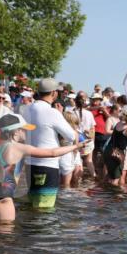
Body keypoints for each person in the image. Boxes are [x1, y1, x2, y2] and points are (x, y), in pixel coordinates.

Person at [0, 115, 82, 221]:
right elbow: (52, 153)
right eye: (24, 130)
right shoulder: (19, 148)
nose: (27, 132)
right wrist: (76, 146)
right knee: (5, 236)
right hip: (3, 197)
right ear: (16, 131)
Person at [23, 78, 77, 209]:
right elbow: (71, 136)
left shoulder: (27, 109)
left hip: (29, 163)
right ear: (54, 93)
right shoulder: (52, 112)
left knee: (32, 203)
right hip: (47, 165)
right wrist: (60, 115)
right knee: (45, 207)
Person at [103, 110, 127, 186]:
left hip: (108, 150)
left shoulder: (118, 123)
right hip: (117, 153)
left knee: (109, 176)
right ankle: (114, 196)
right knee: (115, 179)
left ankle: (104, 194)